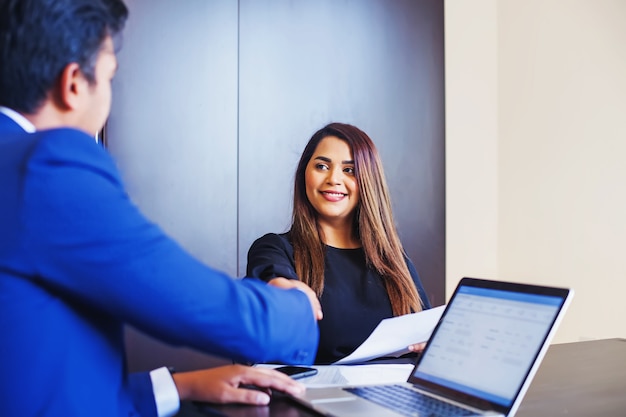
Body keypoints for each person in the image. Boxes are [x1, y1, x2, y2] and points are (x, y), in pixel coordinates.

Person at [0, 1, 323, 416]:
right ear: (75, 84)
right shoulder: (45, 167)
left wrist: (178, 386)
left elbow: (34, 374)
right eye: (111, 78)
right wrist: (295, 307)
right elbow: (194, 303)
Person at [246, 122, 431, 364]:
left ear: (368, 181)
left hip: (394, 394)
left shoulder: (394, 260)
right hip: (314, 397)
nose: (334, 179)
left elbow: (427, 332)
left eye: (349, 170)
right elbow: (274, 278)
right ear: (305, 174)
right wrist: (285, 290)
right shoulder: (276, 249)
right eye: (322, 166)